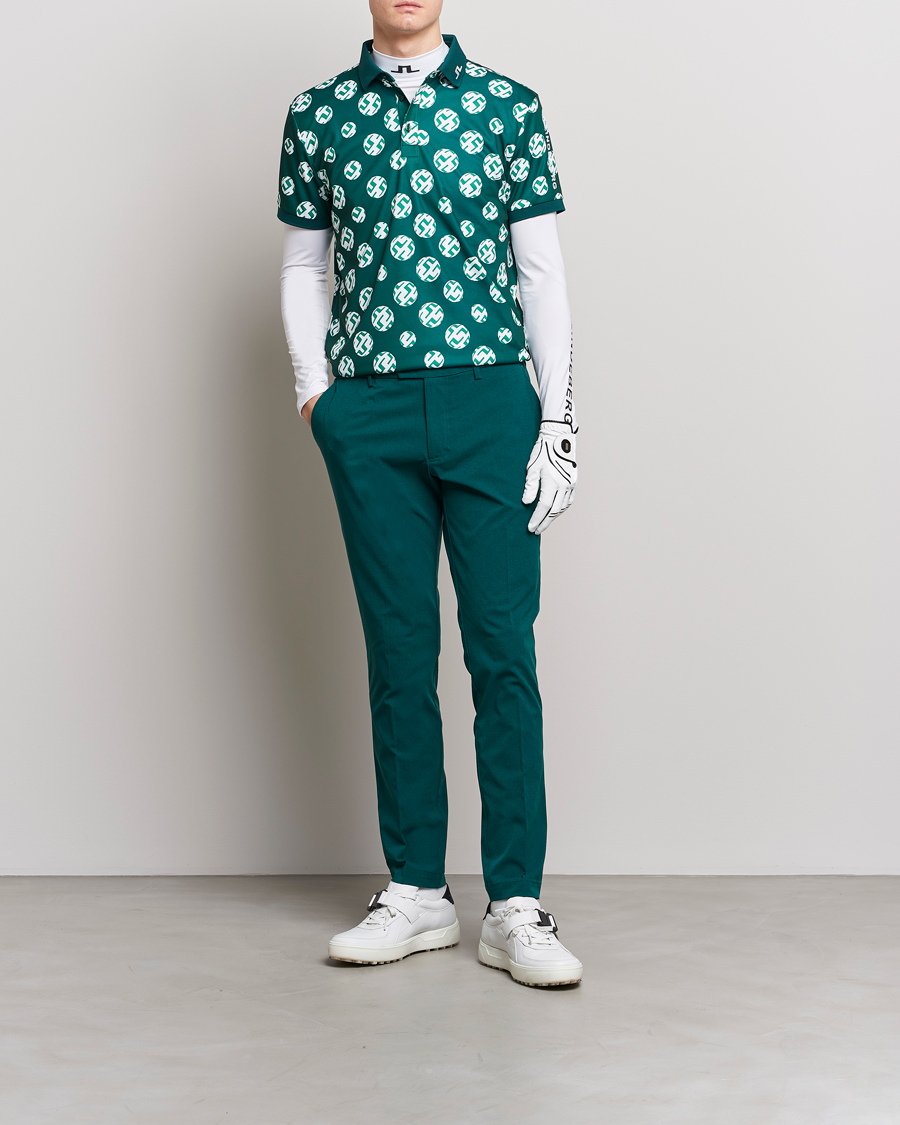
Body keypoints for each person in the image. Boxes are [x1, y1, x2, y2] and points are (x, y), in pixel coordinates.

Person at [278, 0, 581, 988]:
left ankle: (516, 904)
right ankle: (416, 890)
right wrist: (316, 395)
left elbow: (540, 273)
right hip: (368, 410)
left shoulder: (508, 106)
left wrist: (557, 421)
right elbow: (305, 265)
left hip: (491, 401)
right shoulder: (319, 113)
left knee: (503, 650)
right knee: (399, 652)